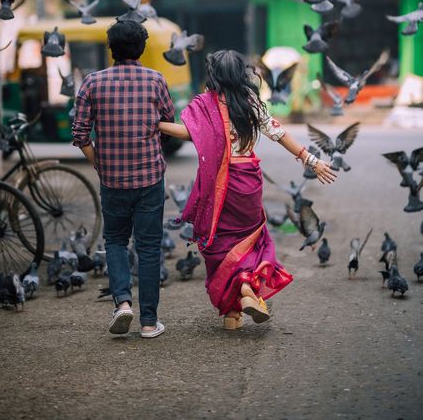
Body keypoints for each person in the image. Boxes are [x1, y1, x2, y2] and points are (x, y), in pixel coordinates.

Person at [159, 49, 336, 330]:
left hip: (219, 186)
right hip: (247, 183)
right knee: (250, 241)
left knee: (220, 244)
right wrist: (311, 160)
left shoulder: (205, 104)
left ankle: (237, 300)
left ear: (214, 75)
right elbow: (279, 133)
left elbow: (185, 132)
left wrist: (154, 124)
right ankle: (239, 304)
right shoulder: (251, 101)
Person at [72, 20, 175, 338]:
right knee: (148, 248)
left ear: (110, 48)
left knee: (115, 241)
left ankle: (123, 304)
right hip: (149, 178)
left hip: (112, 181)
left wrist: (100, 166)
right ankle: (148, 322)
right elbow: (168, 123)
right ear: (142, 49)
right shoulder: (156, 80)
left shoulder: (92, 82)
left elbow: (80, 134)